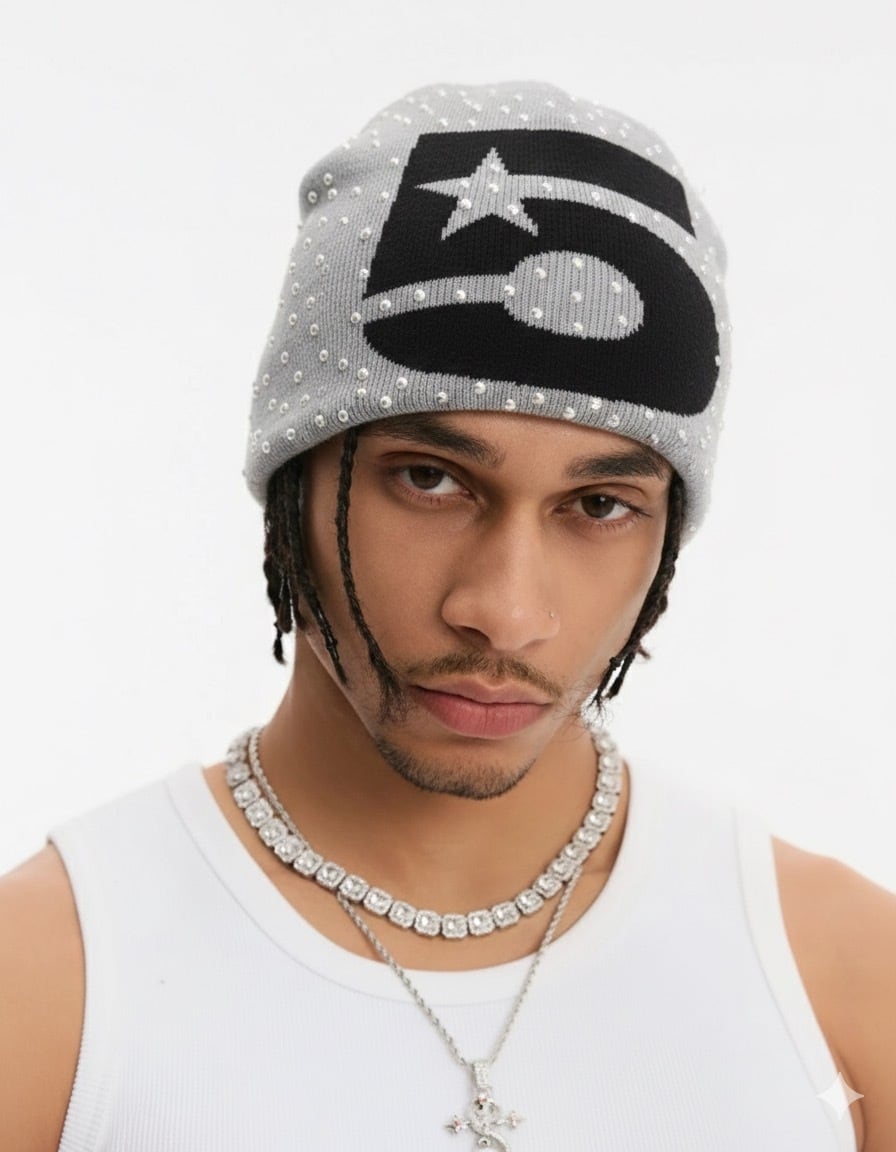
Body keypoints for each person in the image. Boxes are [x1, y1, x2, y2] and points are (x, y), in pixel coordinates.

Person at [1, 81, 893, 1152]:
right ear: (292, 481)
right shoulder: (47, 984)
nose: (504, 614)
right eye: (429, 480)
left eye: (598, 506)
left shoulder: (841, 975)